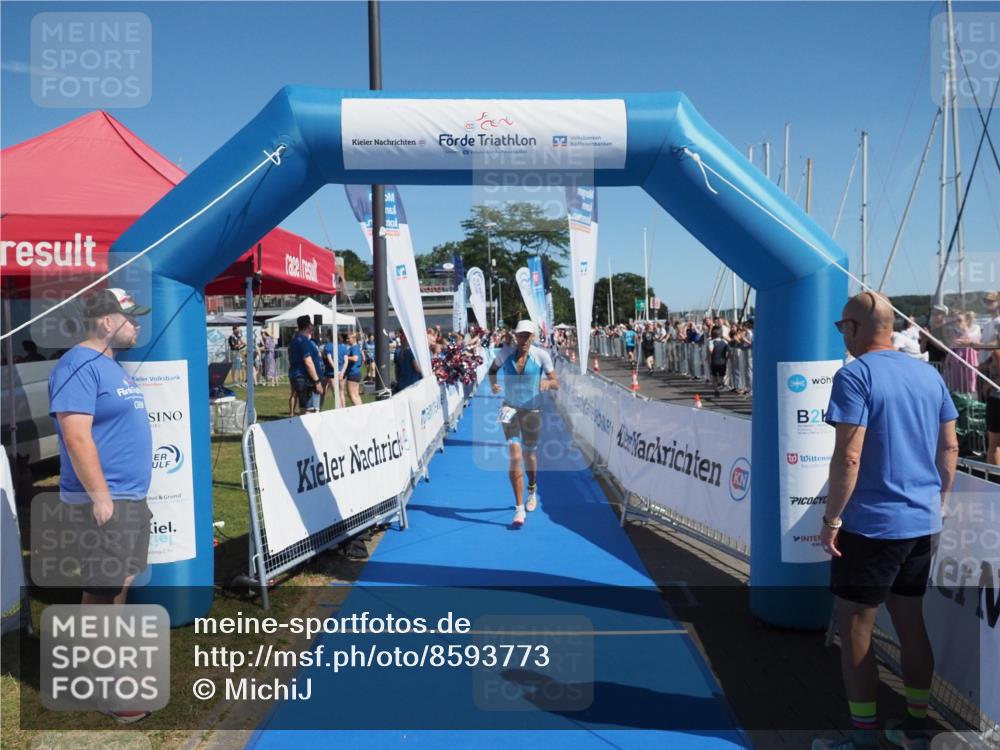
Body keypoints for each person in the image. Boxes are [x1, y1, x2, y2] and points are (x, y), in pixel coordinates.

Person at [813, 292, 959, 750]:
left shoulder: (854, 375)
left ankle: (863, 740)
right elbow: (950, 450)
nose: (843, 336)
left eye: (842, 328)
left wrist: (832, 518)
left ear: (855, 328)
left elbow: (849, 457)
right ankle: (917, 726)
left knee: (856, 624)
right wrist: (939, 500)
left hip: (871, 525)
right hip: (921, 521)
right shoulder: (927, 375)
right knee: (910, 621)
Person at [48, 287, 155, 724]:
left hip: (129, 498)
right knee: (101, 588)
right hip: (105, 501)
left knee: (118, 583)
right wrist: (101, 497)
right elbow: (76, 436)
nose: (138, 325)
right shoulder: (77, 364)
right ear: (107, 322)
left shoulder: (112, 367)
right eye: (131, 318)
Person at [489, 320, 559, 528]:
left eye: (528, 335)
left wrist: (548, 383)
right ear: (516, 336)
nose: (524, 339)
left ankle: (532, 488)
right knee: (516, 455)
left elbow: (557, 382)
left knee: (529, 455)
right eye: (521, 335)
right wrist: (494, 385)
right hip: (509, 409)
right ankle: (519, 508)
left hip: (531, 411)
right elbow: (492, 371)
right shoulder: (504, 354)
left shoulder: (541, 356)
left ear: (534, 337)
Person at [974, 291, 1000, 464]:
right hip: (991, 376)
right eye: (986, 301)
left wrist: (991, 385)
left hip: (995, 390)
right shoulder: (991, 323)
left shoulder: (997, 323)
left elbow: (996, 349)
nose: (987, 304)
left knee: (995, 443)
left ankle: (995, 481)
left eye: (991, 301)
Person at [287, 315, 323, 414]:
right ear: (308, 326)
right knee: (310, 410)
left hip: (297, 376)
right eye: (311, 324)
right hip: (305, 378)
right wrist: (317, 381)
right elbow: (308, 362)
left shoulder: (294, 341)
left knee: (304, 408)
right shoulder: (303, 341)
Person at [392, 329, 423, 393]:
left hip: (402, 385)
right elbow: (417, 368)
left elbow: (396, 370)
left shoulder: (398, 351)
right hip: (413, 385)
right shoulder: (411, 351)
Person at [706, 326, 730, 397]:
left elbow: (711, 351)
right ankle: (720, 383)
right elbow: (729, 351)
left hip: (714, 361)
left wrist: (709, 356)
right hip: (722, 361)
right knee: (722, 375)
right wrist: (727, 358)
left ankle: (716, 390)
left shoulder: (711, 342)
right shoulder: (725, 342)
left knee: (714, 376)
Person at [344, 332, 364, 406]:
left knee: (352, 395)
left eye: (349, 338)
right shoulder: (355, 347)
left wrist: (346, 357)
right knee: (355, 394)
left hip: (353, 373)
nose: (347, 340)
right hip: (355, 372)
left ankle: (359, 411)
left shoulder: (355, 347)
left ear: (354, 339)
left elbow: (355, 358)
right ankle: (361, 410)